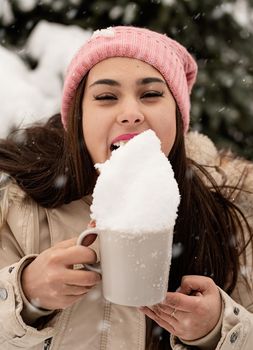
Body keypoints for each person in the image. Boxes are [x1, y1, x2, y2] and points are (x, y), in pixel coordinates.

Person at [0, 25, 252, 350]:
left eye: (150, 94)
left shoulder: (229, 220)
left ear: (177, 116)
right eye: (106, 97)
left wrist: (221, 329)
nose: (131, 114)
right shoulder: (15, 207)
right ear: (79, 118)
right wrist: (24, 294)